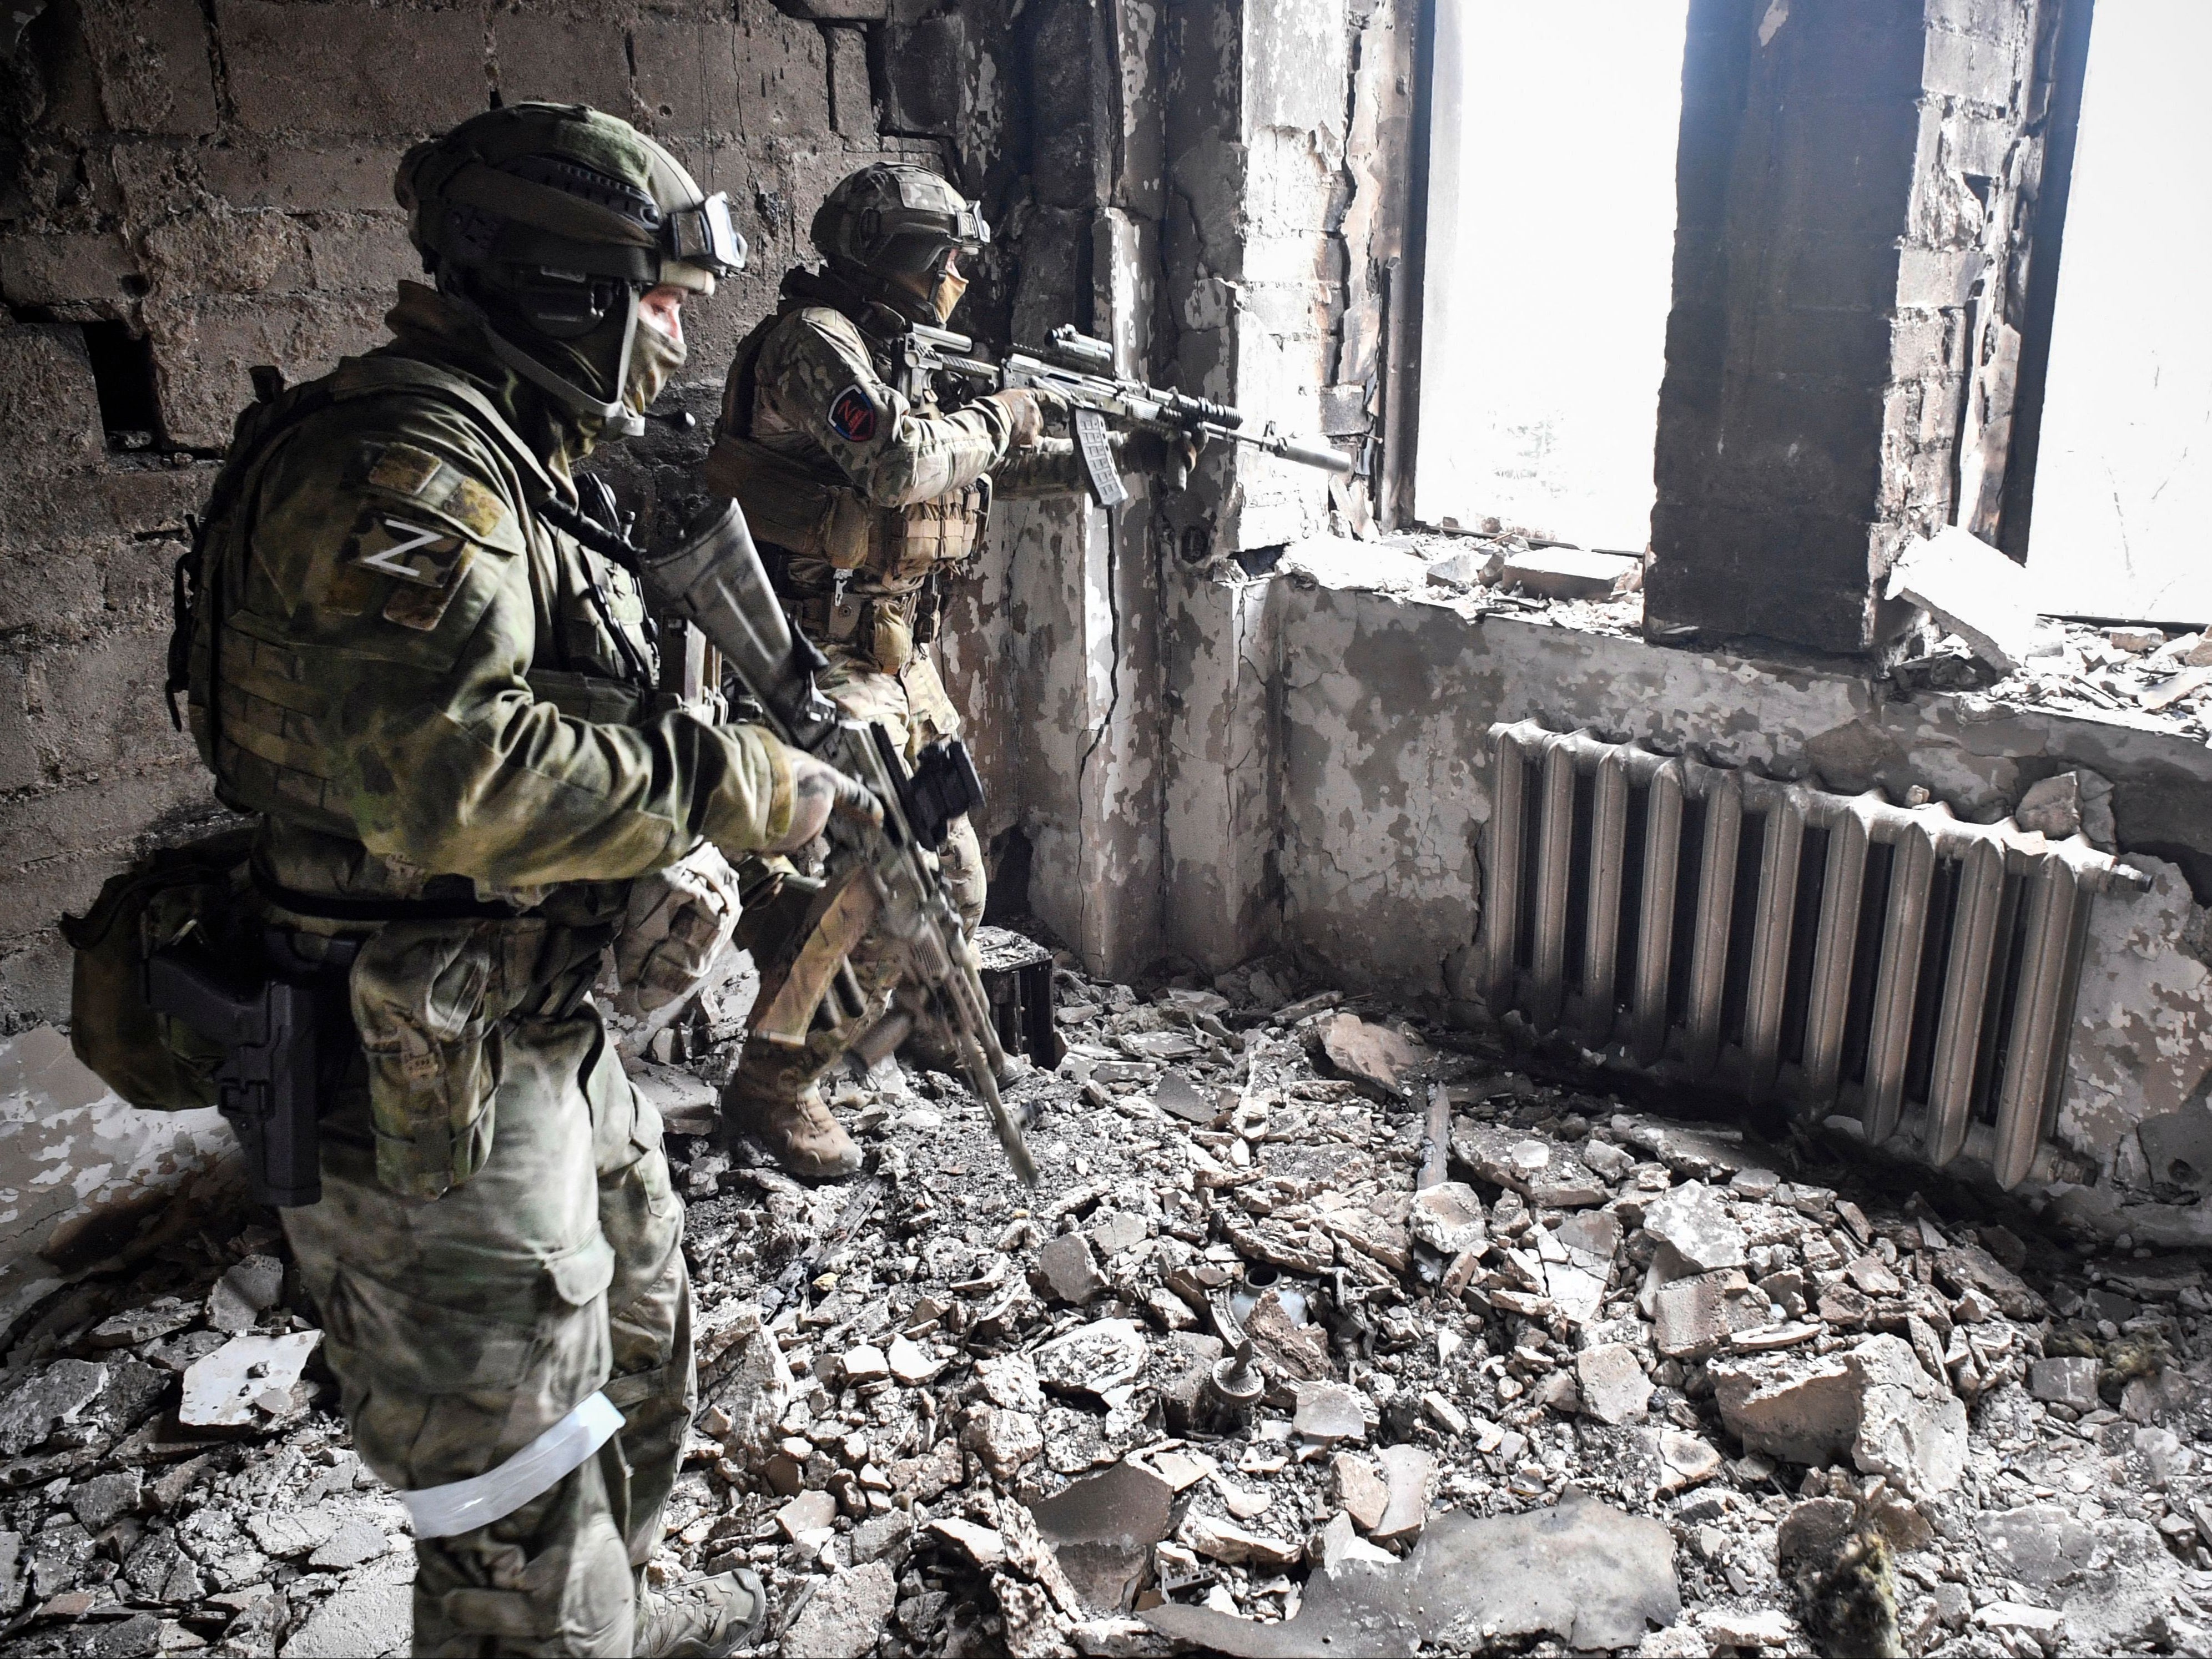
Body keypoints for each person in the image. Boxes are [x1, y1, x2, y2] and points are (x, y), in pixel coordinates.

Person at [178, 102, 875, 1657]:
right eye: (660, 293)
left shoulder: (512, 450)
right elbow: (453, 776)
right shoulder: (402, 470)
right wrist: (732, 783)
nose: (678, 328)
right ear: (569, 288)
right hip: (421, 1082)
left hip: (536, 1033)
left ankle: (609, 1611)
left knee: (642, 1367)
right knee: (516, 1515)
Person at [703, 162, 1097, 1179]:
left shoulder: (891, 352)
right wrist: (1001, 417)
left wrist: (1084, 441)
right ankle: (773, 1082)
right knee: (897, 875)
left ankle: (921, 1015)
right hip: (803, 653)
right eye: (951, 260)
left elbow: (953, 477)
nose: (961, 278)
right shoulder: (812, 347)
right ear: (902, 256)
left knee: (957, 873)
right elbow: (891, 464)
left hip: (890, 654)